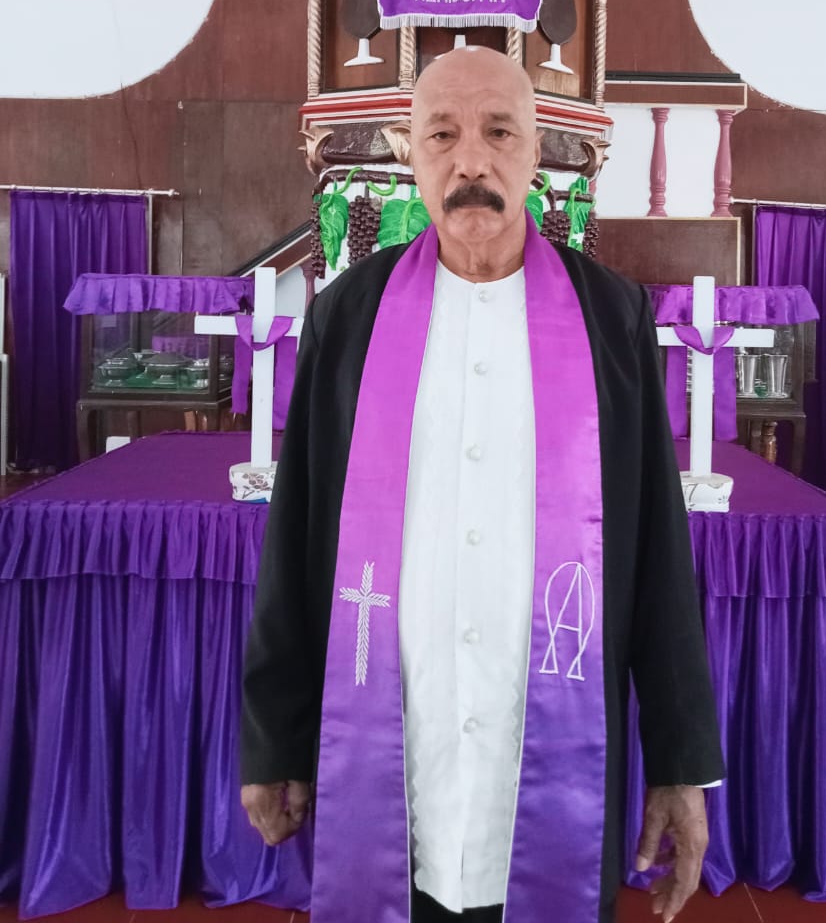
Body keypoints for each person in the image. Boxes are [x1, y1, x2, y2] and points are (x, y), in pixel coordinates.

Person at [240, 47, 724, 923]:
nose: (471, 161)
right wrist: (274, 737)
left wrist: (681, 762)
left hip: (542, 763)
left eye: (500, 132)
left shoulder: (611, 316)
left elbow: (657, 546)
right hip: (397, 758)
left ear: (535, 152)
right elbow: (297, 535)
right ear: (410, 154)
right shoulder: (348, 316)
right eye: (442, 135)